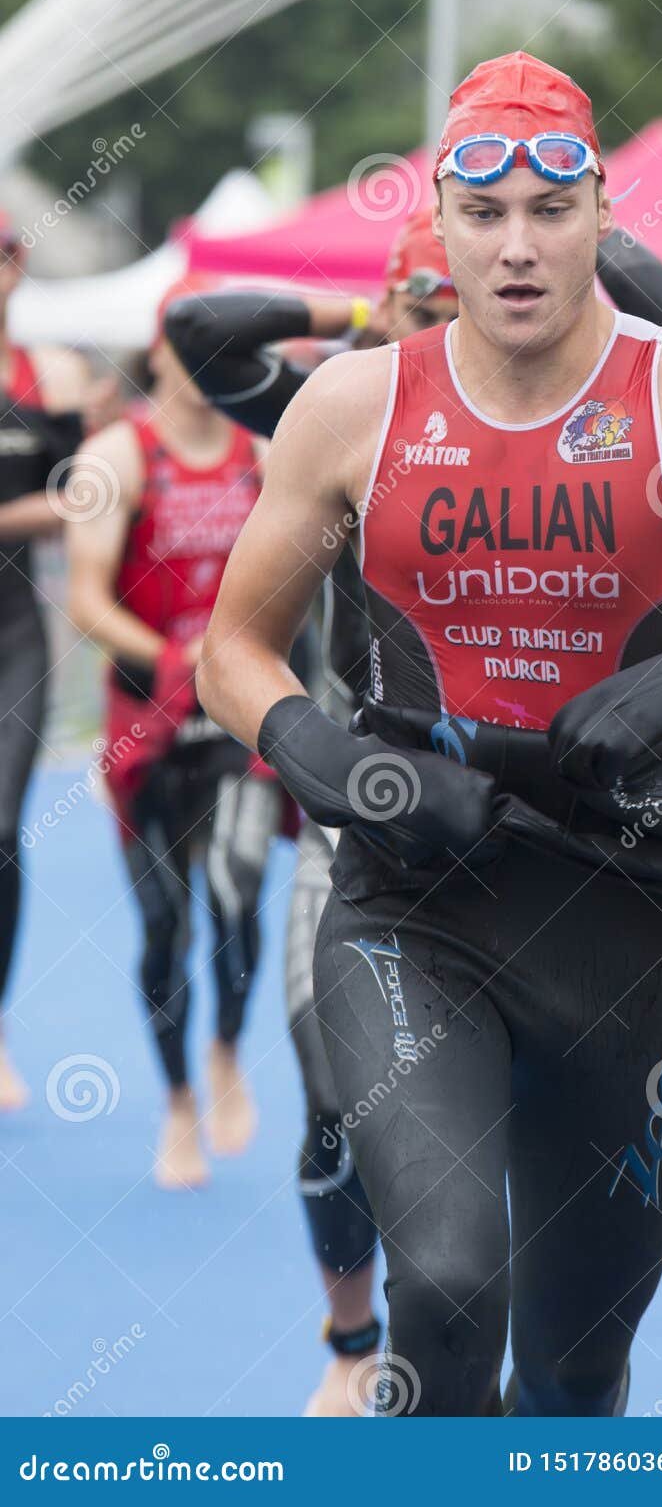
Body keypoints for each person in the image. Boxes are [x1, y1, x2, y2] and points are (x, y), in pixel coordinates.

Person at [195, 51, 662, 1417]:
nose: (517, 246)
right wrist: (319, 750)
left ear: (598, 224)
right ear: (441, 230)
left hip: (622, 926)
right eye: (485, 213)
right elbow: (233, 646)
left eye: (551, 210)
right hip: (416, 909)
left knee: (576, 1376)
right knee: (451, 1295)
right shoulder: (358, 405)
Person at [66, 280, 286, 1188]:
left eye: (218, 353)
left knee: (236, 893)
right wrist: (173, 656)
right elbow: (83, 600)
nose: (200, 368)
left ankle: (229, 1049)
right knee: (165, 923)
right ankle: (180, 1101)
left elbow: (296, 578)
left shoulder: (263, 456)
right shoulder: (116, 457)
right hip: (148, 722)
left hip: (234, 716)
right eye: (185, 348)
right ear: (158, 353)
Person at [0, 209, 111, 1110]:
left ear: (18, 264)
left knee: (1, 831)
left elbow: (83, 496)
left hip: (13, 634)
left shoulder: (54, 375)